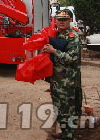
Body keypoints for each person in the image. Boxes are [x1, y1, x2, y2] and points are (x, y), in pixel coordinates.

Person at [43, 9, 82, 140]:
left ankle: (69, 136)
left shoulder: (73, 37)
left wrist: (54, 51)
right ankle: (65, 133)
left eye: (64, 19)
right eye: (59, 19)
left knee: (68, 111)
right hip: (58, 81)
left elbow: (72, 58)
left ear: (70, 20)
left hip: (68, 83)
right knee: (59, 110)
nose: (61, 22)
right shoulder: (59, 36)